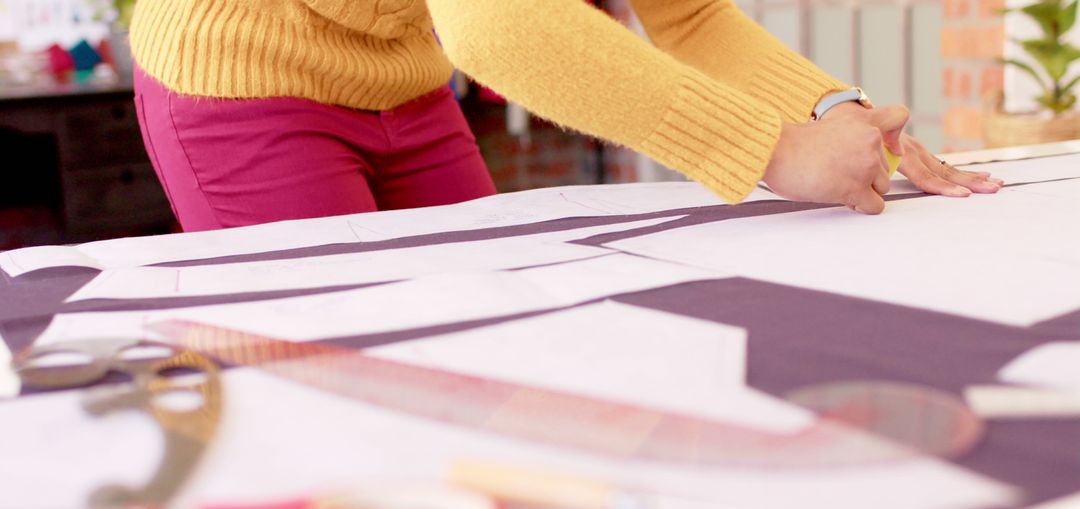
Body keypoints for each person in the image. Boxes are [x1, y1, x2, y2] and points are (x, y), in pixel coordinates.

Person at [129, 0, 1002, 232]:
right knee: (322, 365)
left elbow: (691, 15)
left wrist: (836, 110)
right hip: (241, 74)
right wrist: (770, 148)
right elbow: (497, 20)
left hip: (403, 76)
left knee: (483, 315)